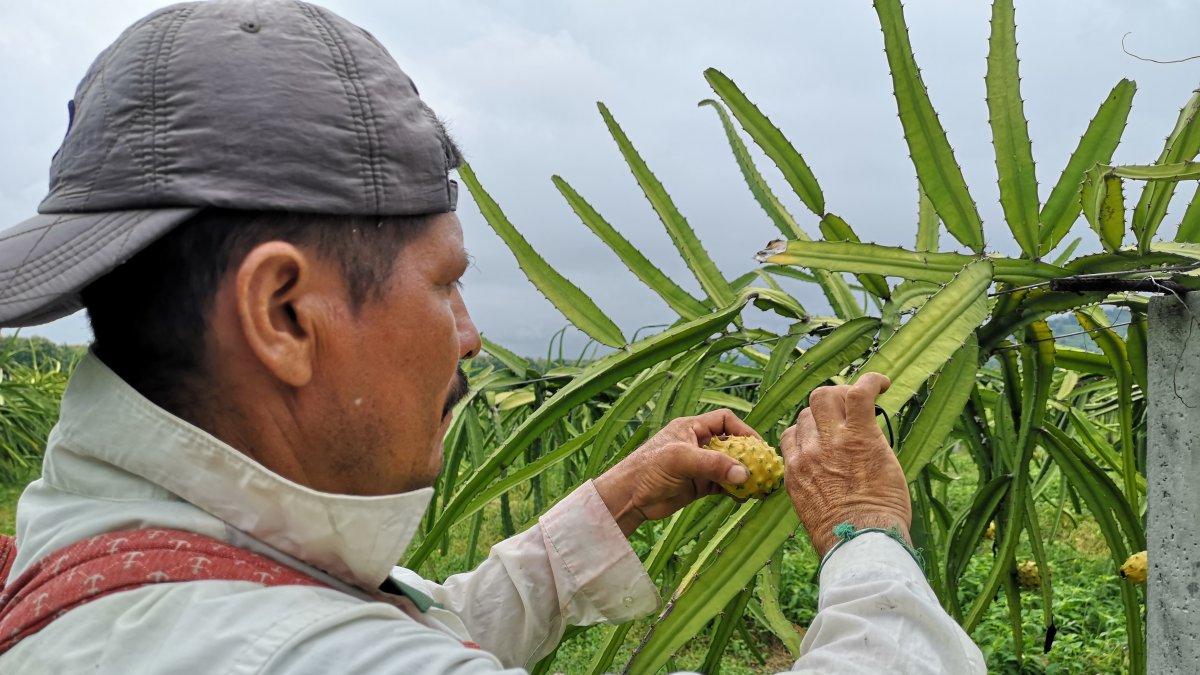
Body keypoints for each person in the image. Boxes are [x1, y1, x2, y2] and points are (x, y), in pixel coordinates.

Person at [0, 1, 985, 672]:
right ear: (285, 316)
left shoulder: (110, 553)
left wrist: (617, 502)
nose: (470, 336)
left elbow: (406, 629)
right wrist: (866, 537)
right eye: (445, 285)